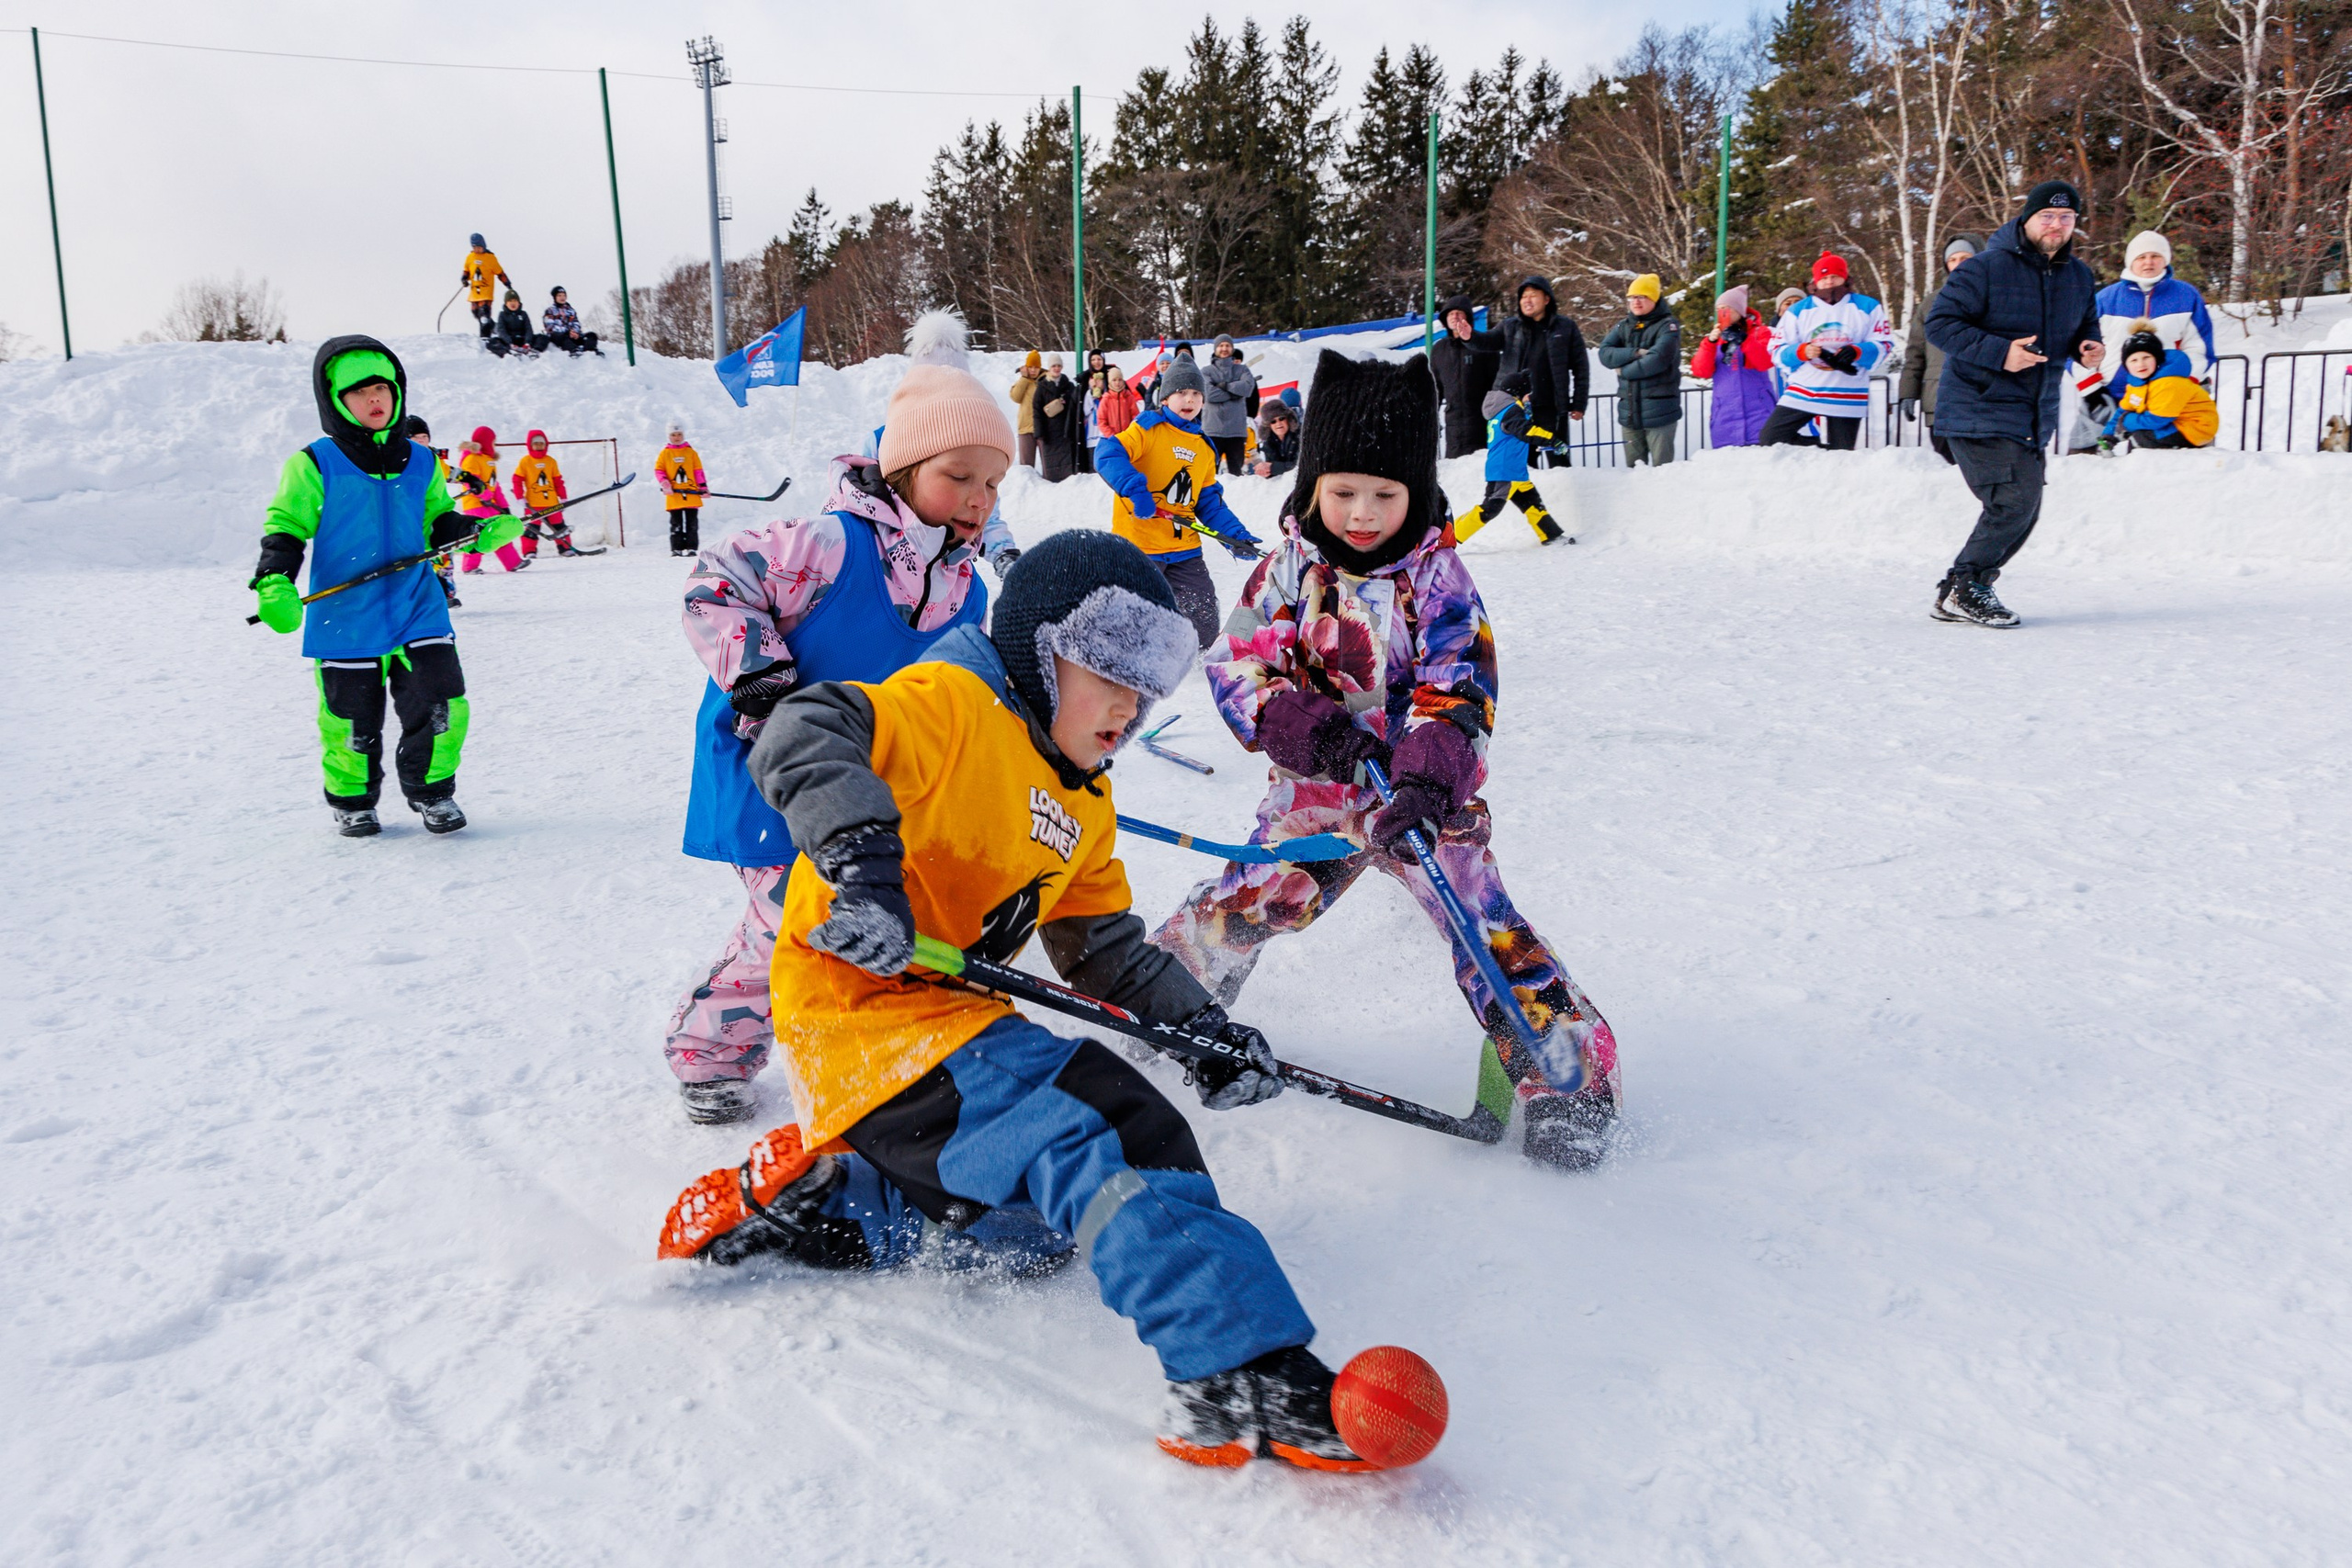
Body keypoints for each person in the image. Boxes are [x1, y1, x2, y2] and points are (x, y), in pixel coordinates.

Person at [658, 527, 1406, 1472]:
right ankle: (1237, 1370)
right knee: (1109, 1127)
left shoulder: (1083, 807)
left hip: (942, 1033)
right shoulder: (950, 706)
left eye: (1144, 693)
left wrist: (1204, 1034)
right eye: (1107, 680)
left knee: (1042, 1230)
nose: (1128, 712)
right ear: (1038, 652)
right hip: (864, 1016)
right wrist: (861, 869)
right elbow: (805, 731)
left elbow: (1106, 954)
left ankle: (848, 1199)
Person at [1152, 349, 1619, 1169]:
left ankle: (1566, 1067)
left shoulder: (1438, 577)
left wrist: (1427, 774)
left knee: (1476, 912)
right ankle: (1167, 984)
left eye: (1384, 494)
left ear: (1415, 492)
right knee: (1265, 890)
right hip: (1320, 784)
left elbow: (1460, 684)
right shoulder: (1291, 565)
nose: (1362, 513)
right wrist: (1309, 727)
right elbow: (1237, 663)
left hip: (1417, 793)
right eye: (1342, 492)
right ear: (1313, 487)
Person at [668, 364, 1009, 1124]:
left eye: (993, 483)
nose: (980, 499)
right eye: (960, 477)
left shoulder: (967, 590)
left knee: (864, 909)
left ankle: (870, 1039)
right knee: (790, 911)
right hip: (771, 761)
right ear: (905, 469)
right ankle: (708, 1051)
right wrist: (761, 678)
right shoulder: (824, 543)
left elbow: (958, 689)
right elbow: (714, 578)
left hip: (859, 781)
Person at [249, 337, 518, 836]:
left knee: (442, 702)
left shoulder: (421, 462)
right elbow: (286, 525)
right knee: (351, 718)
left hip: (418, 605)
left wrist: (477, 530)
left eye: (383, 388)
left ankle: (433, 792)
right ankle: (352, 799)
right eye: (360, 392)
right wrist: (274, 581)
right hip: (346, 615)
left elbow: (436, 521)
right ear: (334, 400)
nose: (376, 400)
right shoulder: (314, 463)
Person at [1925, 178, 2106, 628]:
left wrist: (2089, 345)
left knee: (2025, 505)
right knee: (2015, 501)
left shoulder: (2078, 276)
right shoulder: (1984, 269)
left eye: (2067, 218)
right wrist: (2002, 353)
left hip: (2032, 410)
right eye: (2048, 216)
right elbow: (1940, 324)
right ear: (2027, 218)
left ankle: (1961, 590)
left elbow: (2086, 323)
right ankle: (1968, 586)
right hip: (1977, 405)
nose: (2057, 225)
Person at [1095, 354, 1264, 649]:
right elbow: (1108, 453)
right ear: (1165, 398)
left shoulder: (1203, 446)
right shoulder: (1147, 429)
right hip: (1140, 545)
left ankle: (1200, 664)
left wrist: (1233, 536)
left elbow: (1209, 501)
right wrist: (1135, 490)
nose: (1190, 399)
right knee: (1132, 617)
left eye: (1196, 394)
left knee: (1203, 612)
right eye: (1182, 392)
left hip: (1184, 549)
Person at [1762, 253, 1893, 450]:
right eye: (1824, 278)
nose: (1830, 282)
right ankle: (1819, 452)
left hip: (1848, 391)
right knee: (1771, 438)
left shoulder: (1868, 306)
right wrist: (1802, 352)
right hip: (1805, 389)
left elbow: (1884, 344)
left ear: (1845, 278)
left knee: (1841, 453)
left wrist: (1858, 351)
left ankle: (1832, 457)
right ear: (1816, 281)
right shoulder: (1798, 310)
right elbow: (1777, 349)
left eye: (1834, 277)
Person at [1899, 235, 1985, 463]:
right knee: (1946, 470)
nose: (1959, 264)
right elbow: (1916, 352)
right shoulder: (1930, 303)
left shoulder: (1993, 298)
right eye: (1953, 259)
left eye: (1965, 258)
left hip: (1981, 400)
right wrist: (1908, 392)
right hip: (1939, 401)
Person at [1453, 370, 1565, 545]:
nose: (1529, 398)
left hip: (1514, 471)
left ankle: (1551, 535)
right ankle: (1450, 537)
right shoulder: (1511, 411)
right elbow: (1526, 431)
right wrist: (1553, 440)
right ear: (1517, 393)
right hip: (1505, 471)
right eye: (1527, 394)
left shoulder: (1504, 409)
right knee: (1490, 508)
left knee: (1533, 504)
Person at [2098, 231, 2216, 387]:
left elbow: (2200, 348)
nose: (2148, 262)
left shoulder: (2186, 295)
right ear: (2130, 262)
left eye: (2155, 256)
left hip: (2168, 392)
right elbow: (2082, 347)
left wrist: (2185, 382)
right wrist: (2092, 389)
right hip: (2113, 393)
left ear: (2165, 261)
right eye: (2141, 257)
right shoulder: (2105, 298)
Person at [1495, 275, 1589, 463]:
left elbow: (1581, 368)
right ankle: (1530, 494)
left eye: (1533, 295)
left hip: (1552, 409)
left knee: (1559, 464)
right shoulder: (1512, 327)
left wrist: (1579, 404)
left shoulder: (1565, 327)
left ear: (1547, 299)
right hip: (1520, 410)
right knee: (1523, 465)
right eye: (1523, 296)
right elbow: (1486, 341)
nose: (1527, 300)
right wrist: (1468, 336)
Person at [1596, 275, 1683, 467]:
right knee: (1634, 473)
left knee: (1663, 470)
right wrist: (1635, 353)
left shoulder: (1669, 326)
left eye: (1642, 296)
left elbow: (1658, 359)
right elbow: (1604, 353)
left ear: (1654, 299)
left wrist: (1623, 371)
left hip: (1660, 412)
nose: (1636, 301)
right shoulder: (1623, 325)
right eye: (1632, 297)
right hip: (1629, 413)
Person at [2101, 326, 2219, 451]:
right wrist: (2109, 434)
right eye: (2133, 360)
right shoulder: (2137, 383)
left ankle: (2170, 462)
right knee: (2138, 436)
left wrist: (2127, 422)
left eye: (2146, 357)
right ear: (2126, 365)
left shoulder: (2169, 382)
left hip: (2197, 427)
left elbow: (2158, 419)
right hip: (2174, 422)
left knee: (2141, 438)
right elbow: (2123, 411)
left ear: (2157, 359)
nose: (2140, 364)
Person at [1690, 285, 1777, 449]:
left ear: (1739, 310)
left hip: (1759, 412)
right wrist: (1709, 344)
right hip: (1725, 415)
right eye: (1719, 309)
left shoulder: (1761, 333)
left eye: (1727, 308)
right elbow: (1701, 371)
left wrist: (1744, 340)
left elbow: (1765, 361)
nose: (1723, 313)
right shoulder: (1716, 337)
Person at [1430, 292, 1502, 458]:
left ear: (1467, 317)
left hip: (1481, 421)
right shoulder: (1439, 349)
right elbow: (1435, 387)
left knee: (1478, 468)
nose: (1454, 316)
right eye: (1450, 313)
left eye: (1459, 313)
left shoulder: (1483, 345)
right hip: (1453, 424)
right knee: (1456, 471)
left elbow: (1496, 383)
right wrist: (1431, 414)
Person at [403, 414, 462, 608]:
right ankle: (422, 594)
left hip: (435, 516)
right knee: (421, 559)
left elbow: (450, 473)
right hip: (412, 518)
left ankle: (445, 591)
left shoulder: (433, 458)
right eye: (416, 438)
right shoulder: (401, 460)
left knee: (443, 555)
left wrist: (470, 478)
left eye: (424, 438)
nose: (421, 442)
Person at [453, 427, 527, 574]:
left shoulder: (489, 461)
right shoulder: (472, 459)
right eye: (492, 442)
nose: (494, 445)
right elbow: (470, 481)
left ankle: (513, 563)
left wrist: (504, 506)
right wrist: (484, 495)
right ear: (485, 442)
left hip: (489, 505)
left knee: (500, 531)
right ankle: (470, 566)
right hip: (475, 504)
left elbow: (495, 486)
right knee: (478, 535)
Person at [509, 429, 592, 558]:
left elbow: (558, 481)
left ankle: (565, 548)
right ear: (530, 445)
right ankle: (529, 551)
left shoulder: (551, 461)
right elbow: (517, 480)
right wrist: (520, 497)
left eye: (542, 443)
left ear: (546, 445)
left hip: (552, 503)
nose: (539, 446)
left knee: (559, 527)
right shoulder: (525, 461)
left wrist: (563, 497)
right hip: (533, 504)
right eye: (535, 443)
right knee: (532, 528)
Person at [1202, 334, 1259, 476]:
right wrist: (1235, 393)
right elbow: (1209, 394)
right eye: (1221, 345)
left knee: (1236, 475)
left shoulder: (1242, 370)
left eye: (1227, 345)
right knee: (1209, 474)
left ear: (1232, 349)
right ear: (1216, 348)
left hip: (1236, 431)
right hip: (1212, 430)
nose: (1224, 348)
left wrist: (1224, 386)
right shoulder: (1206, 371)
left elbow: (1247, 388)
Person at [657, 423, 707, 556]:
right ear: (669, 436)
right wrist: (665, 483)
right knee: (676, 524)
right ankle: (676, 548)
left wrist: (703, 487)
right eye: (673, 435)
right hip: (674, 495)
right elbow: (659, 470)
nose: (677, 437)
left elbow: (698, 471)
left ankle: (691, 547)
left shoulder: (691, 452)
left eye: (679, 434)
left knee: (692, 524)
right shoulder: (665, 453)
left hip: (691, 494)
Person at [1033, 356, 1084, 483]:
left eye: (1058, 366)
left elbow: (1076, 406)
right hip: (1049, 431)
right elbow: (1037, 410)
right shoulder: (1042, 387)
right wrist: (1039, 432)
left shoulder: (1068, 385)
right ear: (1049, 368)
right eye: (1053, 366)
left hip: (1067, 428)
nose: (1056, 369)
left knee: (1068, 460)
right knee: (1052, 461)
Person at [459, 235, 511, 345]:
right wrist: (464, 279)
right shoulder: (470, 257)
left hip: (486, 291)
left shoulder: (490, 258)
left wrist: (507, 283)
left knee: (484, 315)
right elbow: (467, 270)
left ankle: (485, 338)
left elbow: (500, 273)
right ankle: (493, 327)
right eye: (475, 247)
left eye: (479, 247)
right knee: (475, 312)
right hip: (474, 292)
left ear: (483, 246)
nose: (477, 249)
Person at [541, 287, 599, 356]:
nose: (562, 297)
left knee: (591, 335)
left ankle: (590, 350)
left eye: (564, 295)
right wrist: (568, 332)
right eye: (559, 295)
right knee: (560, 336)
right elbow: (549, 327)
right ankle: (573, 350)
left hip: (571, 335)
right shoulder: (550, 311)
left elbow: (576, 322)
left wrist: (575, 332)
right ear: (555, 297)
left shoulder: (570, 310)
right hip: (558, 336)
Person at [1009, 352, 1044, 468]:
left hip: (1044, 428)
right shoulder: (1023, 381)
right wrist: (1024, 378)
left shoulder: (1045, 380)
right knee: (1026, 468)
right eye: (1030, 367)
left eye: (1036, 367)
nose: (1033, 370)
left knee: (1048, 465)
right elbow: (1015, 397)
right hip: (1025, 428)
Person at [487, 291, 546, 357]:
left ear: (519, 303)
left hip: (523, 340)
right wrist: (510, 343)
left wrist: (527, 342)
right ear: (506, 303)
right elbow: (501, 330)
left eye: (515, 301)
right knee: (492, 342)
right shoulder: (502, 315)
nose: (513, 303)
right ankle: (508, 352)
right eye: (510, 301)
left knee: (542, 337)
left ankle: (533, 351)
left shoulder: (523, 314)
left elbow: (528, 329)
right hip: (509, 342)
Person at [1253, 400, 1301, 479]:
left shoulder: (1300, 436)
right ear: (1268, 425)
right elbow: (1274, 469)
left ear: (1288, 419)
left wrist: (1272, 467)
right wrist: (1266, 471)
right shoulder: (1268, 442)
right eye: (1273, 421)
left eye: (1281, 419)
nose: (1278, 424)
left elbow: (1300, 466)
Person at [1097, 364, 1143, 438]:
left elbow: (1135, 417)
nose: (1117, 383)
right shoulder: (1106, 399)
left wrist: (1130, 433)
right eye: (1114, 380)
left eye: (1119, 380)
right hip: (1112, 439)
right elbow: (1102, 421)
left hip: (1128, 437)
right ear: (1110, 382)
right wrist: (1111, 435)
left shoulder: (1129, 397)